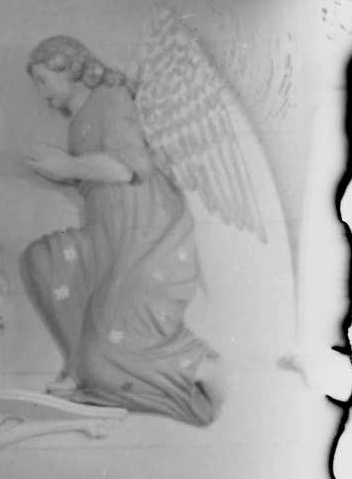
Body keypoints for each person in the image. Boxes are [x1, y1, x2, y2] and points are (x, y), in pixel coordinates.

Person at [20, 34, 226, 426]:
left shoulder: (110, 98)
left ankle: (198, 370)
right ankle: (79, 364)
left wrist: (67, 167)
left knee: (113, 354)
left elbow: (129, 167)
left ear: (69, 70)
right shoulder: (80, 118)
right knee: (44, 261)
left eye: (44, 81)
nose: (41, 92)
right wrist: (65, 171)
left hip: (147, 235)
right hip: (109, 236)